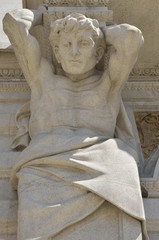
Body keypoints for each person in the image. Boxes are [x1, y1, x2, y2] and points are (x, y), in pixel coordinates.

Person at [3, 8, 148, 240]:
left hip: (104, 163)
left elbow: (132, 38)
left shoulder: (107, 86)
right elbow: (13, 22)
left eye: (83, 44)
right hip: (44, 167)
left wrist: (100, 31)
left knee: (122, 166)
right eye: (66, 45)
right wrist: (45, 15)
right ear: (57, 54)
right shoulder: (42, 80)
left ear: (99, 52)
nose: (74, 52)